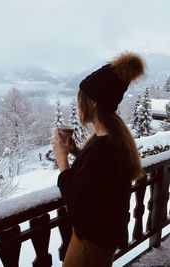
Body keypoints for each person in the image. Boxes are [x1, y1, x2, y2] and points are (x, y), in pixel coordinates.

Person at [53, 52, 145, 267]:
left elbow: (76, 201)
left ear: (93, 102)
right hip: (106, 237)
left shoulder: (103, 148)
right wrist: (77, 152)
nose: (78, 106)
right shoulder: (113, 139)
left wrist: (62, 160)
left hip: (91, 242)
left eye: (80, 99)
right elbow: (99, 177)